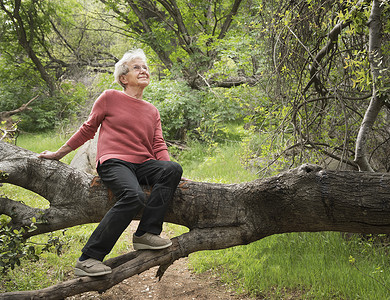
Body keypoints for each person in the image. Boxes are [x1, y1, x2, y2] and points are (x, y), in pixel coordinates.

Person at [38, 49, 183, 277]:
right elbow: (88, 129)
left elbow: (158, 144)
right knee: (133, 196)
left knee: (173, 168)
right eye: (137, 67)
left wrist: (172, 175)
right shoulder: (109, 97)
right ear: (124, 78)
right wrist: (59, 153)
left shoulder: (152, 111)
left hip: (143, 164)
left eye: (145, 67)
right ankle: (88, 259)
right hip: (114, 162)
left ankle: (145, 234)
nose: (143, 70)